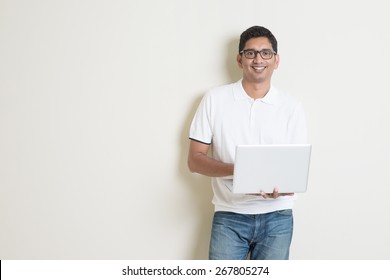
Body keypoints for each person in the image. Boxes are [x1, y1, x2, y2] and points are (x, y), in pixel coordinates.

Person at [187, 26, 308, 260]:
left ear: (276, 60)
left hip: (278, 215)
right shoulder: (215, 99)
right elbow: (194, 160)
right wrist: (240, 171)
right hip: (229, 215)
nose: (258, 59)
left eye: (266, 53)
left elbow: (296, 168)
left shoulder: (291, 107)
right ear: (239, 59)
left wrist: (283, 185)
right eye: (250, 53)